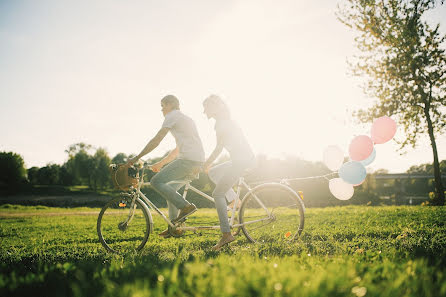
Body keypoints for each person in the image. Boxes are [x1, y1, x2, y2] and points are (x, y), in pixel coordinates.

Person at [128, 95, 205, 237]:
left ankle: (186, 206)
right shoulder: (185, 119)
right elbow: (177, 150)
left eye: (163, 105)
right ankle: (174, 228)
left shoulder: (172, 116)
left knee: (156, 181)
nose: (161, 109)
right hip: (196, 160)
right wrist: (161, 163)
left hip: (188, 160)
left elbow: (157, 139)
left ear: (170, 105)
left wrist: (137, 157)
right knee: (170, 190)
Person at [202, 94, 256, 251]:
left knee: (217, 194)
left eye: (206, 107)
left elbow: (219, 147)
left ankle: (226, 234)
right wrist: (209, 165)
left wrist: (206, 162)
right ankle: (235, 201)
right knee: (213, 173)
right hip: (241, 159)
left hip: (241, 161)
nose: (204, 111)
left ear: (214, 108)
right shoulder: (225, 121)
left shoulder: (221, 123)